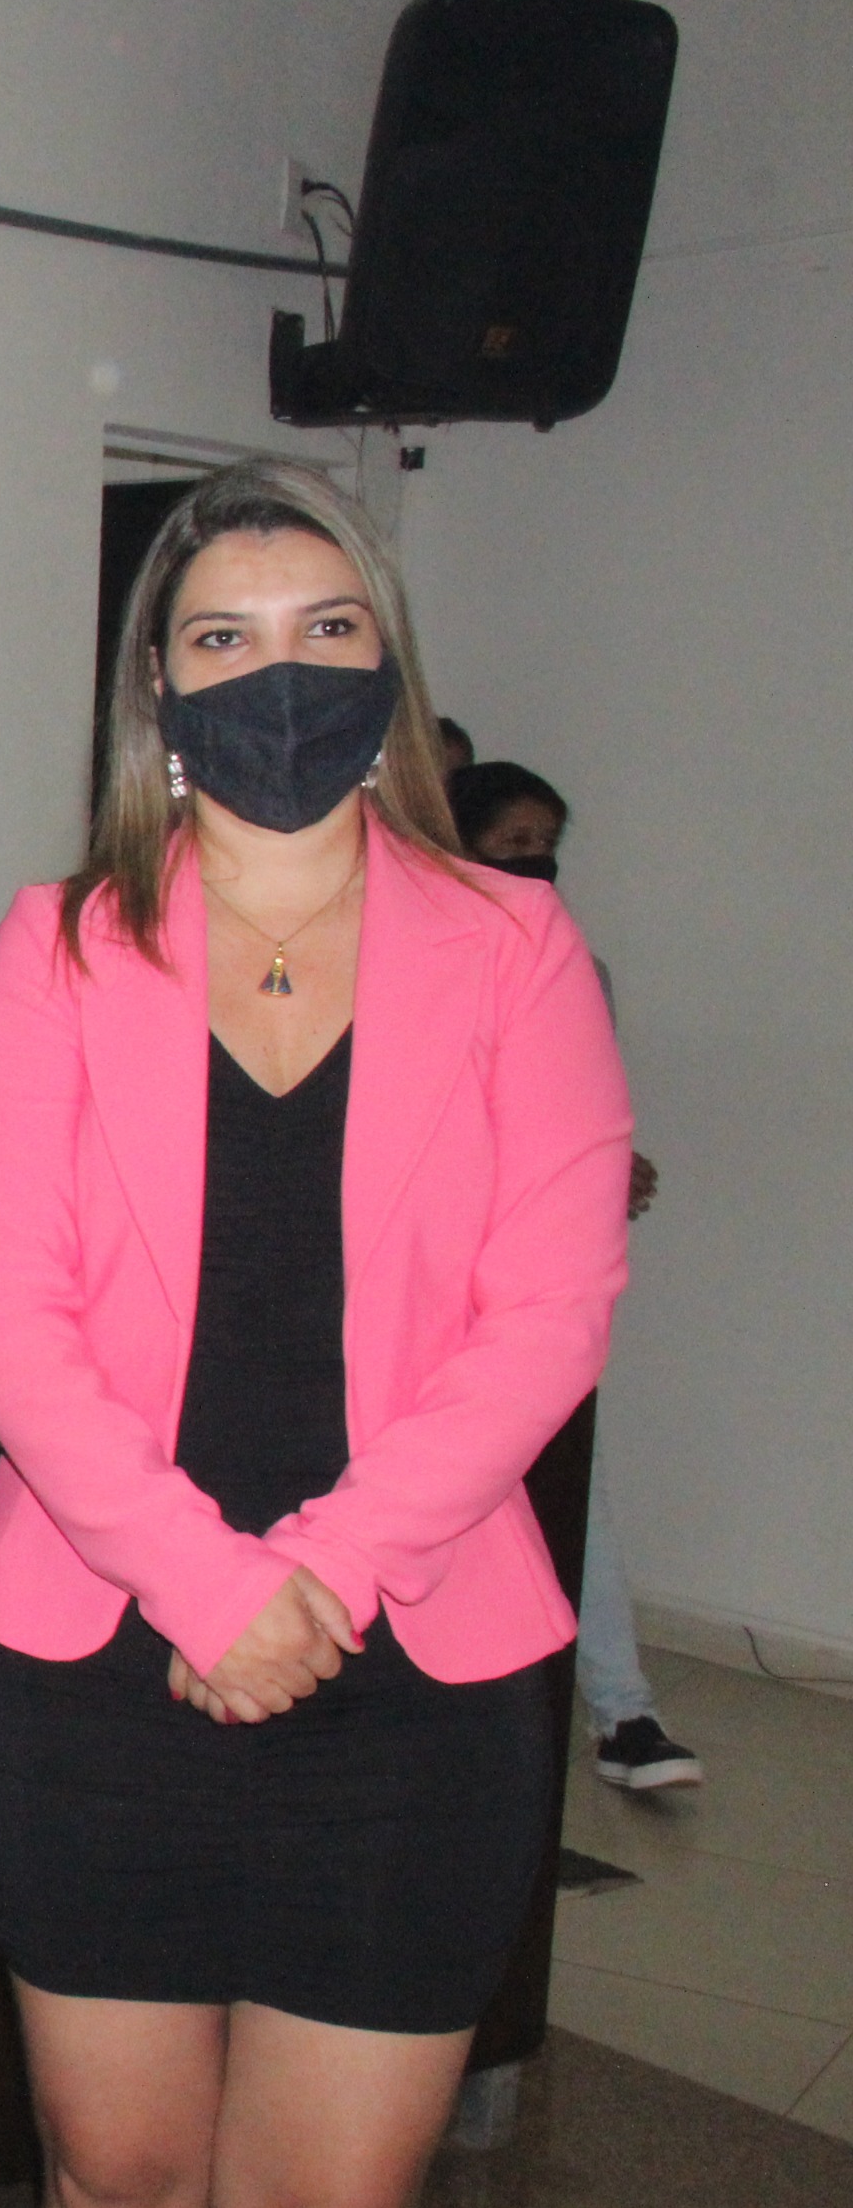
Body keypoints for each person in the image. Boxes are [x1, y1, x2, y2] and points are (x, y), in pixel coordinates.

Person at [0, 459, 628, 2208]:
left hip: (410, 1680)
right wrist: (208, 1582)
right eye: (224, 638)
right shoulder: (59, 944)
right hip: (97, 1671)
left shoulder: (515, 947)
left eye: (327, 630)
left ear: (388, 666)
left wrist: (312, 1576)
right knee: (115, 2188)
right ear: (157, 687)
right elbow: (4, 1317)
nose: (281, 674)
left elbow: (549, 1311)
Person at [446, 757, 695, 1789]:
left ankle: (620, 1711)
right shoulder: (401, 954)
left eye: (545, 842)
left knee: (564, 1485)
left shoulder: (572, 968)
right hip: (425, 1280)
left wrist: (605, 1163)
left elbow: (575, 1109)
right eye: (512, 842)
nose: (534, 860)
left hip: (524, 1284)